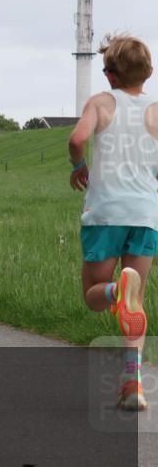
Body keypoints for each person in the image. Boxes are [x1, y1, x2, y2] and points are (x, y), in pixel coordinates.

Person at [69, 34, 156, 411]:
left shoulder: (101, 102)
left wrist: (79, 165)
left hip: (106, 214)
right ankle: (132, 385)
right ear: (148, 72)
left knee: (96, 295)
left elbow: (77, 138)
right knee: (136, 301)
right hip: (146, 216)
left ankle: (113, 293)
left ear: (110, 76)